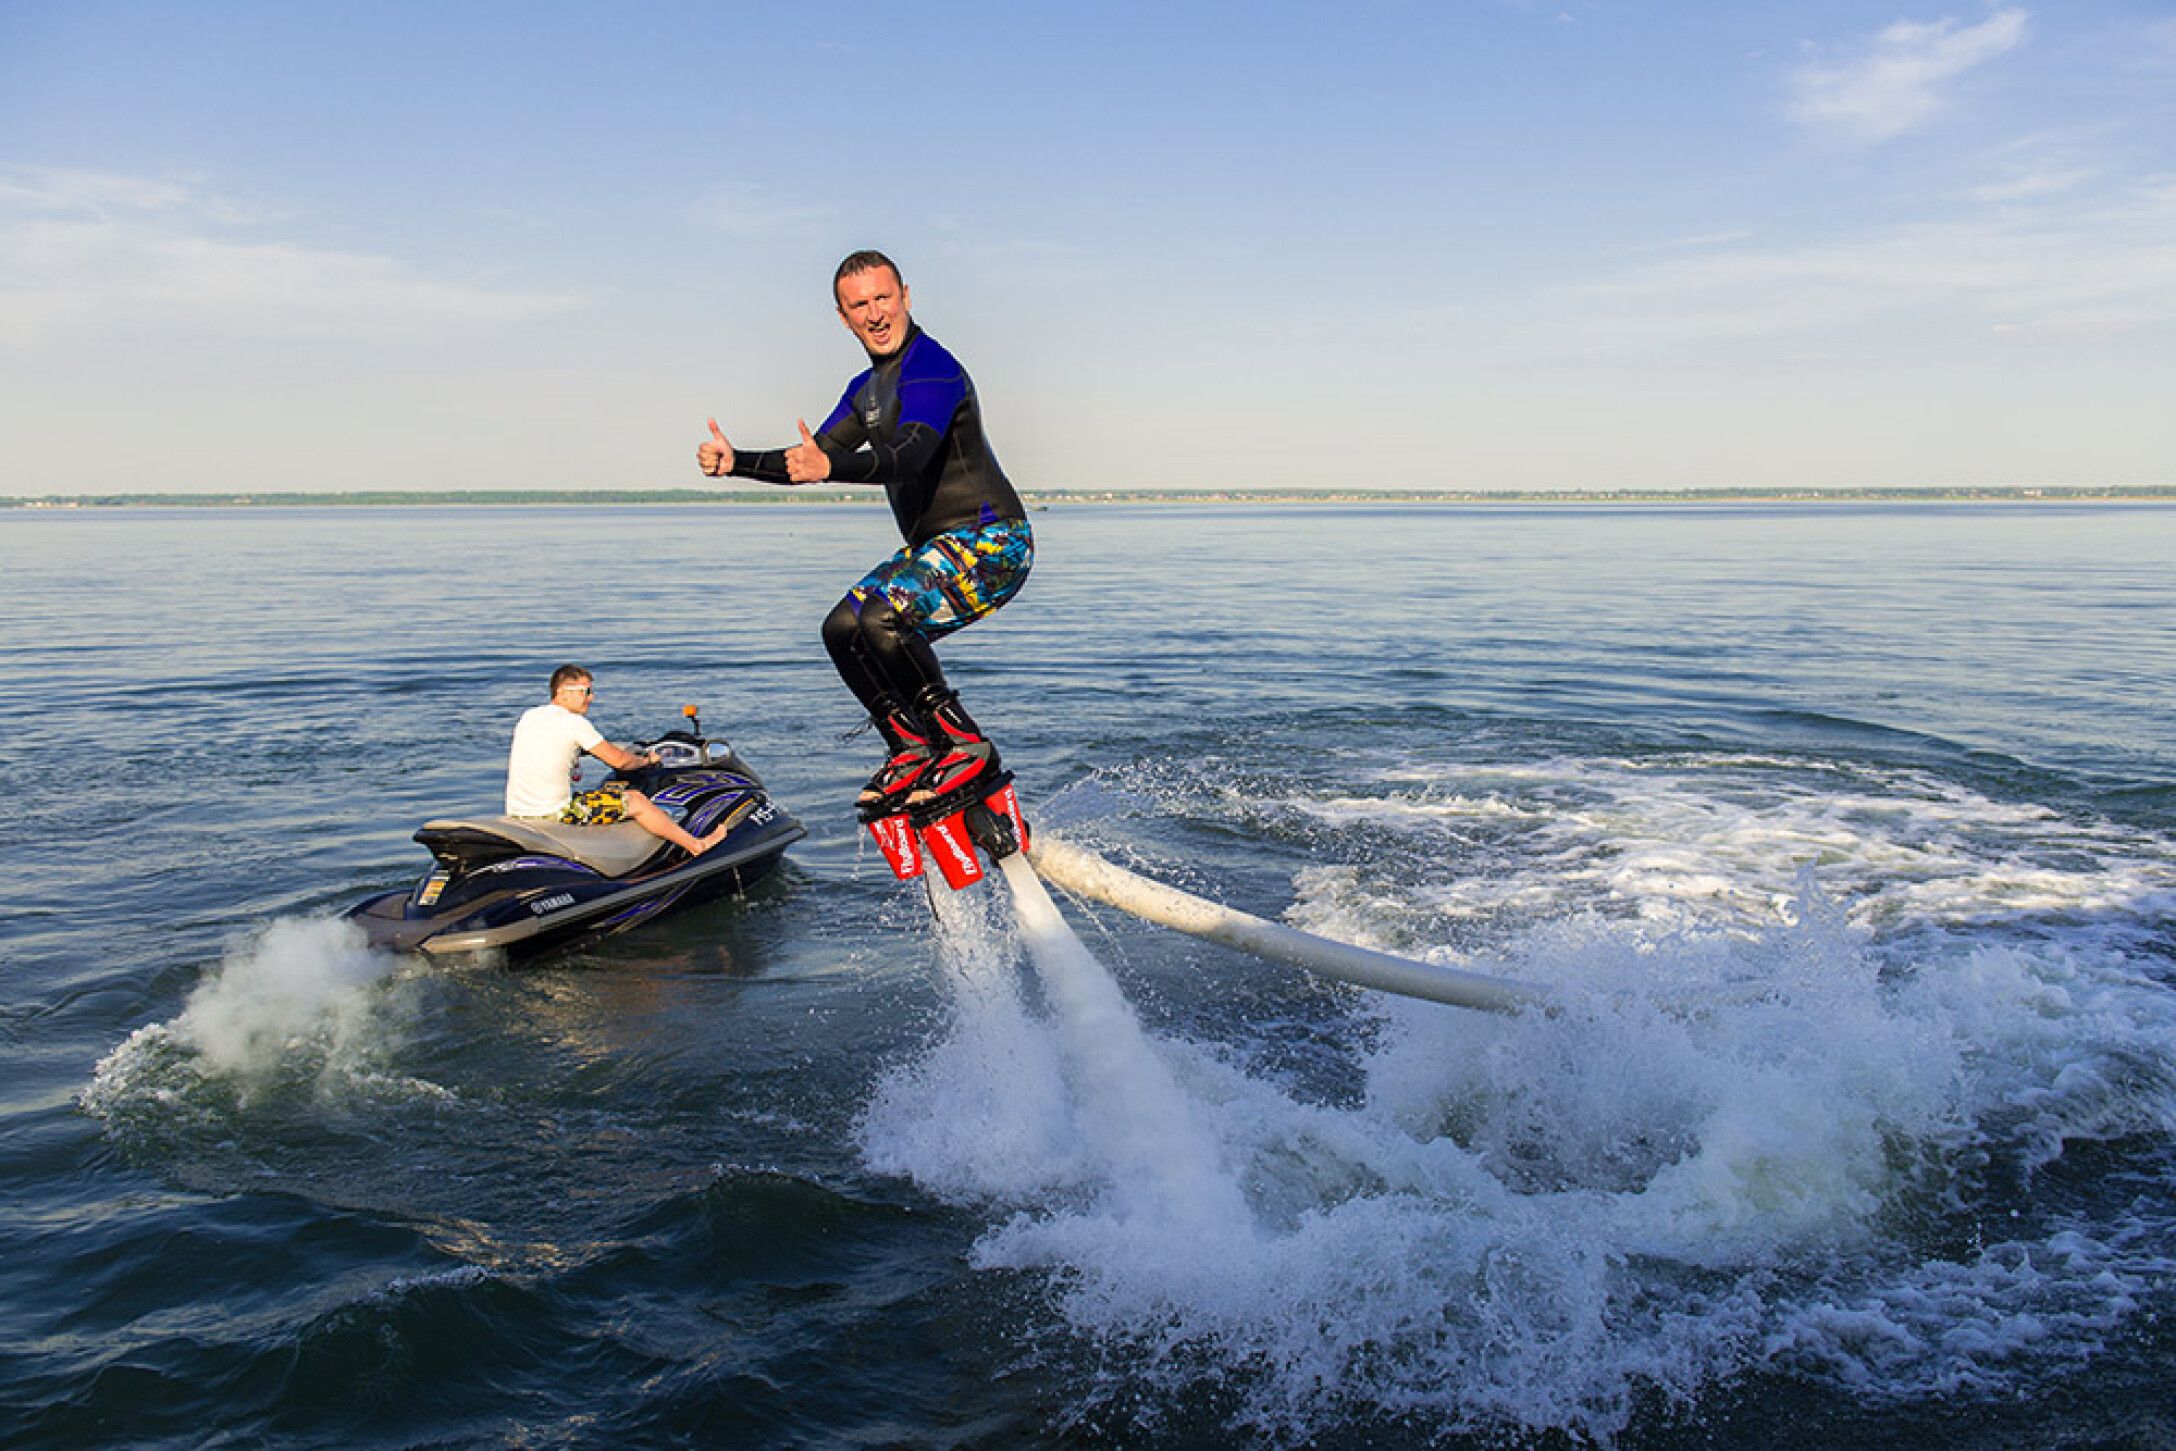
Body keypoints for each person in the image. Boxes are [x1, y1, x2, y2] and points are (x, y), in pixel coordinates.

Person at [697, 249, 1032, 819]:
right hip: (937, 550)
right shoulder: (866, 389)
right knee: (844, 628)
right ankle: (911, 747)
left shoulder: (933, 368)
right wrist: (737, 462)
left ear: (906, 296)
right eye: (860, 305)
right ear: (843, 316)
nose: (875, 314)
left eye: (883, 298)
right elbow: (811, 458)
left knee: (882, 616)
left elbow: (907, 455)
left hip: (992, 543)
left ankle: (965, 745)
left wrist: (832, 468)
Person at [506, 665, 731, 856]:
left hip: (518, 812)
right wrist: (647, 760)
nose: (591, 698)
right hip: (555, 812)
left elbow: (556, 746)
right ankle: (697, 845)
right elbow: (620, 762)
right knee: (636, 800)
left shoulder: (530, 717)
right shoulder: (574, 723)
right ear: (564, 692)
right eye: (587, 691)